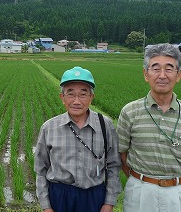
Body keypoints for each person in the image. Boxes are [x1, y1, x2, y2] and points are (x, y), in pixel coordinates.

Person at [117, 43, 181, 212]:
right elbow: (122, 154)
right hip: (141, 192)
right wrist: (143, 182)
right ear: (146, 74)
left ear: (178, 75)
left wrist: (177, 183)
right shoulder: (129, 112)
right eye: (156, 68)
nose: (162, 75)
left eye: (169, 69)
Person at [34, 66, 122, 212]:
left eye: (82, 94)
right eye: (70, 94)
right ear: (62, 97)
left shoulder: (105, 125)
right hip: (60, 196)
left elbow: (113, 165)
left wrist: (109, 203)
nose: (76, 101)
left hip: (94, 196)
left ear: (91, 97)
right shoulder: (49, 127)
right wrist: (46, 206)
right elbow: (41, 169)